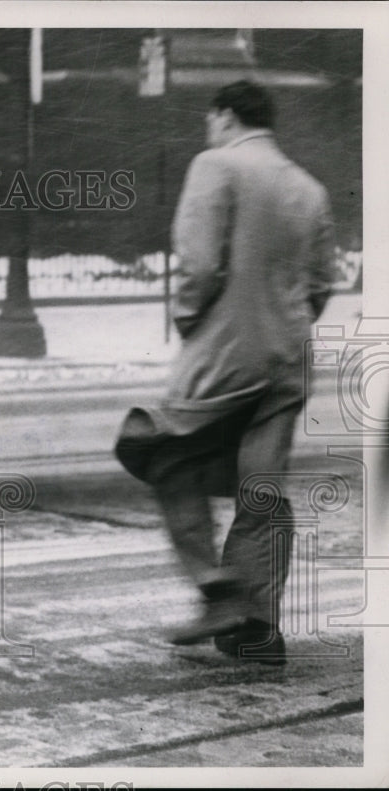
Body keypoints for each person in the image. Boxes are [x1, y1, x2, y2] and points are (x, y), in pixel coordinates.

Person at [114, 81, 337, 664]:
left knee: (160, 452)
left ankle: (216, 586)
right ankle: (257, 629)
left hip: (223, 353)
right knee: (261, 488)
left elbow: (199, 263)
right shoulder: (308, 188)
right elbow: (320, 284)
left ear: (225, 116)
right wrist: (283, 327)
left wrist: (190, 321)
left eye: (210, 119)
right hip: (287, 358)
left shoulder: (216, 165)